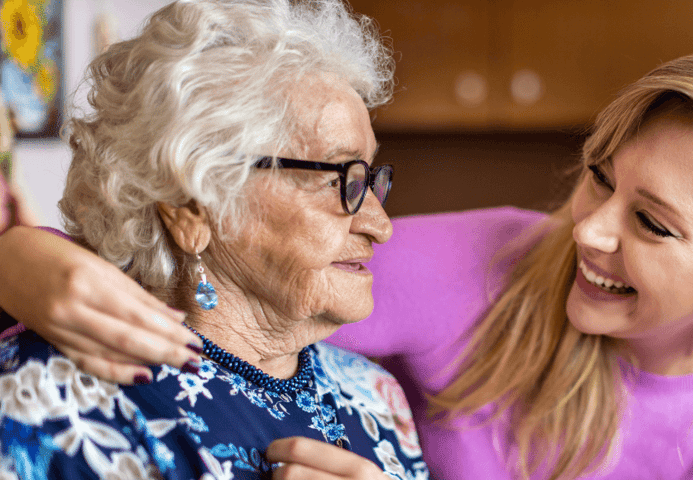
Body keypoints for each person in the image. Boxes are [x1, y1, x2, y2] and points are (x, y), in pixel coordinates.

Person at [0, 51, 693, 479]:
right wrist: (20, 260)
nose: (590, 230)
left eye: (652, 225)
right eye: (600, 176)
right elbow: (232, 274)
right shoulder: (494, 260)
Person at [0, 0, 431, 478]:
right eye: (340, 178)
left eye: (370, 178)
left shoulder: (377, 398)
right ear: (191, 207)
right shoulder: (47, 404)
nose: (380, 223)